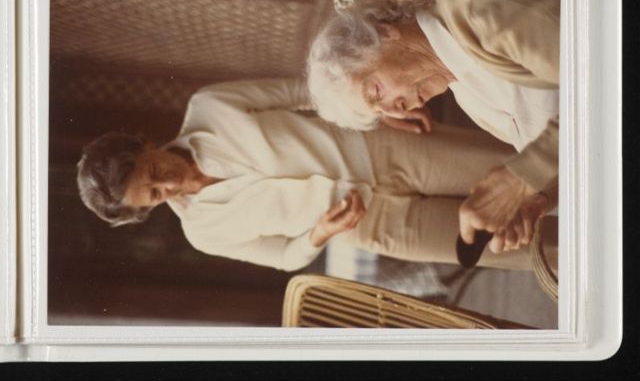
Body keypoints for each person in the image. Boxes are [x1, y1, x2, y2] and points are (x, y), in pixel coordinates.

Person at [77, 78, 530, 272]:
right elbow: (284, 257)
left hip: (385, 152)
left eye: (155, 171)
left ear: (144, 144)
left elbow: (304, 90)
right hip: (377, 226)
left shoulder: (209, 107)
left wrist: (374, 109)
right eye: (155, 195)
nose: (170, 184)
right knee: (513, 249)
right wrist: (319, 234)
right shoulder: (203, 233)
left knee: (527, 171)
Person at [306, 0, 560, 254]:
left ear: (385, 33)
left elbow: (594, 77)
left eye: (376, 91)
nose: (395, 111)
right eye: (380, 111)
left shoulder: (471, 10)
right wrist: (539, 198)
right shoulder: (469, 99)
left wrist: (520, 179)